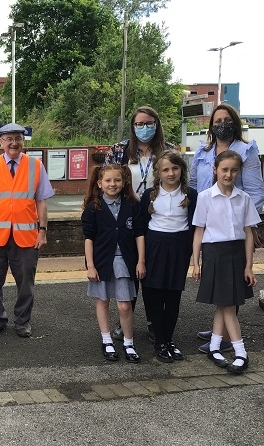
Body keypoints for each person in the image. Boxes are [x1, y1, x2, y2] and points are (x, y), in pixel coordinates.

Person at [189, 103, 264, 353]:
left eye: (227, 120)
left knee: (230, 285)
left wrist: (242, 221)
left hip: (232, 227)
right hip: (208, 223)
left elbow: (255, 190)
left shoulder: (246, 151)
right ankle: (218, 331)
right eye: (218, 120)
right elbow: (192, 183)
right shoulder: (204, 150)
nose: (222, 124)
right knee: (216, 282)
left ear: (235, 122)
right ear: (212, 125)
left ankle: (223, 340)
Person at [105, 106, 175, 342]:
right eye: (139, 124)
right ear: (132, 127)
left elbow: (183, 182)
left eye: (149, 123)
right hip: (126, 219)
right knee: (128, 272)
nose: (144, 128)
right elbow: (107, 182)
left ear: (157, 123)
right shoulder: (119, 150)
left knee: (153, 276)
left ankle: (155, 322)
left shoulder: (169, 151)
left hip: (160, 220)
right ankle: (126, 322)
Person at [0, 123, 53, 338]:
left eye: (18, 138)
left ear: (23, 140)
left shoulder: (36, 165)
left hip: (26, 237)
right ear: (0, 142)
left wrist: (43, 230)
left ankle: (22, 321)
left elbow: (42, 201)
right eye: (8, 138)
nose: (14, 143)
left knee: (26, 284)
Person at [192, 150, 260, 374]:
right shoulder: (204, 198)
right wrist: (196, 262)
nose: (228, 174)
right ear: (215, 170)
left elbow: (249, 233)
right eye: (224, 169)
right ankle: (241, 352)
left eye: (233, 170)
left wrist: (249, 265)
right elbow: (199, 232)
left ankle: (214, 347)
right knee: (229, 304)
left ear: (238, 172)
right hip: (215, 253)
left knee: (225, 303)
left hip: (237, 253)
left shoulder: (245, 198)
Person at [82, 163, 146, 363]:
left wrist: (141, 261)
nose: (113, 184)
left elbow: (140, 234)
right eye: (108, 180)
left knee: (125, 305)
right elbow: (88, 239)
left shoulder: (132, 205)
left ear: (124, 181)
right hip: (102, 262)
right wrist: (90, 266)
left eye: (117, 180)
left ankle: (129, 342)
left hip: (126, 262)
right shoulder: (93, 207)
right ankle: (106, 339)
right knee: (103, 301)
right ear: (100, 183)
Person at [139, 150, 197, 362]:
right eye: (165, 169)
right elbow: (141, 229)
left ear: (181, 169)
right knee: (154, 296)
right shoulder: (149, 195)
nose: (171, 173)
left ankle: (168, 339)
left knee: (173, 297)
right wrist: (141, 258)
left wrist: (193, 257)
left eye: (175, 168)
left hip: (179, 248)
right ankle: (160, 341)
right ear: (158, 173)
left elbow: (195, 227)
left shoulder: (190, 195)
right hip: (154, 246)